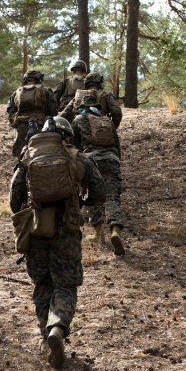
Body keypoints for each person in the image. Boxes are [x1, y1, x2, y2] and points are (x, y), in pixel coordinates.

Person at [10, 116, 105, 369]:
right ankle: (58, 327)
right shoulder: (77, 157)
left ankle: (45, 337)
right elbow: (100, 191)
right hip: (68, 231)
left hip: (38, 229)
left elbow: (13, 197)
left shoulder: (28, 157)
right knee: (65, 285)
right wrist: (80, 201)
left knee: (42, 284)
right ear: (68, 135)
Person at [70, 95, 125, 256]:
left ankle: (98, 233)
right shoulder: (107, 121)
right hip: (111, 160)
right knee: (112, 197)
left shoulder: (79, 119)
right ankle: (115, 230)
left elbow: (74, 146)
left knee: (92, 195)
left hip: (91, 161)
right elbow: (117, 146)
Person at [6, 69, 57, 157]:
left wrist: (15, 122)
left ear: (25, 79)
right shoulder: (45, 91)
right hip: (39, 124)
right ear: (39, 78)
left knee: (20, 155)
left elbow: (10, 111)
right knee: (38, 153)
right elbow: (53, 111)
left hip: (22, 126)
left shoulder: (17, 92)